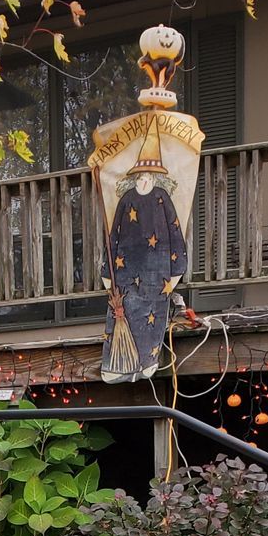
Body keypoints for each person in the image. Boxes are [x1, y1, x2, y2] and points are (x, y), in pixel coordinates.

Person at [102, 117, 188, 384]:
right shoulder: (127, 200)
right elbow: (113, 234)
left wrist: (176, 271)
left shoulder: (162, 197)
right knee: (123, 313)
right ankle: (118, 364)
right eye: (140, 176)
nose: (144, 179)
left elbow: (175, 233)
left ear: (154, 176)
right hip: (126, 269)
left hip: (158, 270)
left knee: (153, 317)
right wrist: (107, 271)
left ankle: (147, 362)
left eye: (148, 175)